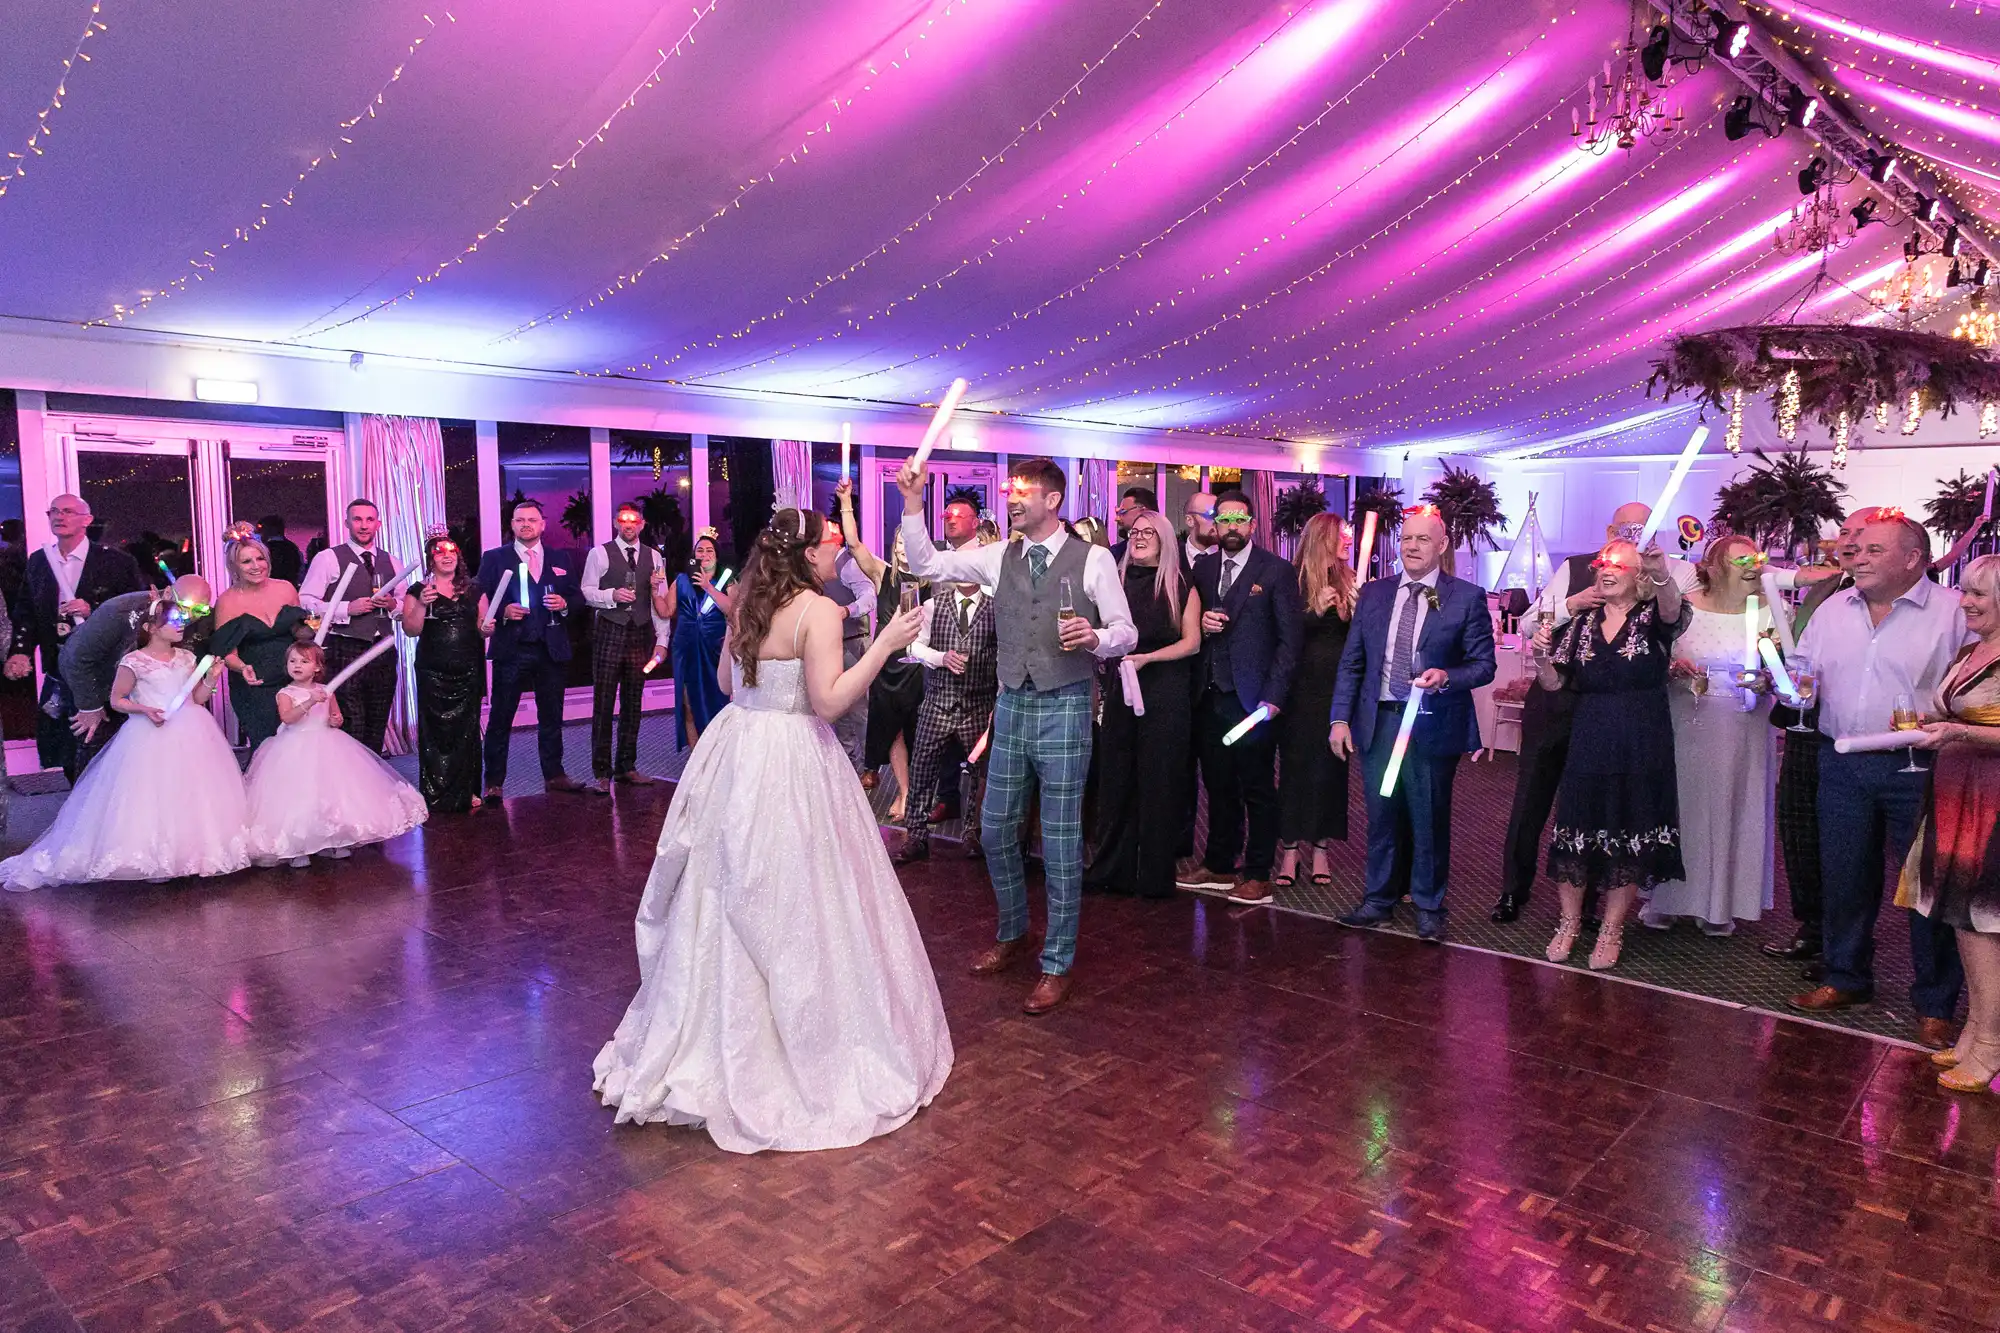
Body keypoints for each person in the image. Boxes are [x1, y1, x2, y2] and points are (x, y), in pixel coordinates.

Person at [593, 506, 951, 1153]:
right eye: (827, 544)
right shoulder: (819, 611)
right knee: (800, 895)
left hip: (738, 749)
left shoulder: (748, 604)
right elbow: (830, 701)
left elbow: (731, 685)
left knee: (722, 889)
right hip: (791, 760)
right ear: (804, 553)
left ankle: (706, 1030)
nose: (832, 554)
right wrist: (885, 643)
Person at [893, 457, 1137, 1015]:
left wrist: (1095, 636)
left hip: (1067, 706)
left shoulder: (1093, 558)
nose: (1014, 498)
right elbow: (927, 563)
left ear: (1053, 501)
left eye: (1025, 491)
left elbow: (1127, 632)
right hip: (1011, 705)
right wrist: (911, 503)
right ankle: (1013, 931)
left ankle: (1057, 962)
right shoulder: (998, 557)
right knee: (997, 829)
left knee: (1059, 838)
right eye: (1012, 490)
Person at [1788, 512, 1968, 1050]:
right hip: (1840, 760)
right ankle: (1845, 977)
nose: (1857, 558)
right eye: (1855, 549)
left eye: (1872, 551)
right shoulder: (1830, 610)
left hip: (1917, 766)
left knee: (1924, 888)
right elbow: (1803, 673)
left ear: (1913, 559)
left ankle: (1935, 1004)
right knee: (1842, 874)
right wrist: (1786, 684)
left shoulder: (1954, 613)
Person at [1489, 501, 1695, 924]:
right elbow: (1529, 625)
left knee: (1603, 807)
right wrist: (1574, 602)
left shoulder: (1658, 575)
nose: (1633, 535)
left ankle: (1589, 911)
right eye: (1626, 527)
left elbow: (1672, 618)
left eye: (1642, 528)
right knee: (1532, 799)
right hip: (1557, 701)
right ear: (1608, 529)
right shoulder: (1576, 568)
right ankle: (1513, 891)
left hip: (1615, 713)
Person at [1328, 507, 1496, 942]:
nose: (1412, 547)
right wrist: (1340, 718)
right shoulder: (1375, 594)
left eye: (1423, 540)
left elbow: (1483, 665)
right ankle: (1378, 900)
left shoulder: (1467, 597)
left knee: (1429, 815)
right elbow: (1352, 662)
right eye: (1406, 539)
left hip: (1431, 722)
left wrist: (1447, 677)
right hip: (1379, 721)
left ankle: (1427, 903)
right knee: (1381, 814)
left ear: (1441, 547)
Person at [2, 598, 245, 889]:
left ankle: (194, 853)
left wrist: (211, 680)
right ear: (151, 627)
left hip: (192, 729)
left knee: (193, 792)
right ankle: (154, 856)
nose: (182, 625)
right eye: (174, 620)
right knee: (152, 794)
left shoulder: (186, 658)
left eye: (182, 620)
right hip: (150, 732)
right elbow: (118, 700)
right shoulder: (134, 661)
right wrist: (144, 710)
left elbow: (197, 698)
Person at [1533, 540, 1687, 969]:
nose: (1605, 568)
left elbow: (1673, 610)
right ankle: (1569, 923)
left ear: (1637, 575)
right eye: (1602, 561)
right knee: (1577, 823)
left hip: (1642, 734)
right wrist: (1540, 659)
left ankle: (1612, 928)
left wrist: (1660, 572)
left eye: (1618, 564)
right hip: (1590, 731)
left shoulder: (1653, 615)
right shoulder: (1582, 622)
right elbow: (1554, 683)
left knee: (1630, 826)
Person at [1644, 535, 1776, 934]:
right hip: (1686, 718)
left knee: (1732, 806)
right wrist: (1672, 670)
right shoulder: (1684, 609)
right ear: (1714, 567)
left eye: (1755, 558)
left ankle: (1719, 904)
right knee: (1681, 805)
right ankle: (1667, 897)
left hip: (1744, 723)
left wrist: (1768, 680)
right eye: (1741, 561)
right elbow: (1654, 658)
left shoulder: (1770, 610)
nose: (1752, 566)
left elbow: (1787, 671)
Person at [1176, 491, 1302, 904]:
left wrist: (1275, 696)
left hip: (1254, 701)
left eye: (1239, 520)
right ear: (1214, 524)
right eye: (1224, 519)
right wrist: (1201, 624)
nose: (1231, 527)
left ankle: (1258, 871)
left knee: (1258, 786)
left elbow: (1289, 641)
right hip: (1209, 693)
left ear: (1251, 524)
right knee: (1217, 784)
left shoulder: (1277, 571)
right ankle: (1218, 862)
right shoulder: (1205, 567)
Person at [1763, 509, 1874, 964]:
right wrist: (1774, 673)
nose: (1848, 542)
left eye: (1862, 536)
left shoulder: (1896, 596)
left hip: (1859, 734)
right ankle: (1812, 926)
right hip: (1806, 721)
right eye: (1845, 533)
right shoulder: (1827, 588)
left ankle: (1845, 942)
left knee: (1848, 841)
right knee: (1798, 827)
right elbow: (1797, 649)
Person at [1908, 554, 2000, 1093]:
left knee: (1984, 921)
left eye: (1978, 596)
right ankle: (1976, 1032)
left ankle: (1990, 1045)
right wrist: (1941, 727)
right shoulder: (1971, 650)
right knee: (1961, 916)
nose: (1964, 602)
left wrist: (1958, 733)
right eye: (1964, 592)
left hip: (1992, 800)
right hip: (1955, 790)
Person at [1085, 511, 1202, 898]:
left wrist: (1149, 659)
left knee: (1159, 782)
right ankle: (1111, 869)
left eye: (1148, 532)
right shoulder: (1115, 583)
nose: (1139, 537)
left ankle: (1153, 876)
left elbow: (1192, 643)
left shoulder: (1180, 583)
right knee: (1116, 780)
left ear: (1164, 539)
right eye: (1134, 532)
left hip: (1165, 692)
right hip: (1120, 688)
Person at [244, 642, 428, 867]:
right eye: (293, 661)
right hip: (295, 747)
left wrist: (335, 720)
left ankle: (334, 841)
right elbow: (287, 718)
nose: (297, 665)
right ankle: (296, 847)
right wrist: (311, 701)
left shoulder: (326, 691)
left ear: (317, 667)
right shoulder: (286, 693)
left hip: (326, 746)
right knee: (299, 796)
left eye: (304, 661)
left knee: (331, 793)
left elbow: (335, 716)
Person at [4, 492, 145, 781]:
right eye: (53, 511)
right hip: (59, 671)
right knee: (67, 749)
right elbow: (26, 611)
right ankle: (79, 811)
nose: (59, 516)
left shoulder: (117, 562)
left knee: (107, 746)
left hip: (105, 671)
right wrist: (20, 651)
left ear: (87, 520)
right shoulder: (39, 561)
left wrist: (93, 610)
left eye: (68, 511)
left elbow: (138, 612)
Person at [894, 498, 997, 864]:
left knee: (981, 775)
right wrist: (941, 657)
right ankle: (915, 835)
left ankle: (973, 834)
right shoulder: (934, 606)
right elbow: (915, 648)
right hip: (938, 702)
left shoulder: (995, 609)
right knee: (923, 768)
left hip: (977, 704)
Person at [476, 499, 589, 798]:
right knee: (501, 717)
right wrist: (501, 613)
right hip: (511, 649)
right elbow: (479, 598)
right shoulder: (494, 558)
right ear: (512, 525)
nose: (526, 524)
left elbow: (577, 599)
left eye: (532, 520)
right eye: (519, 520)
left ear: (542, 524)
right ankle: (494, 782)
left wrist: (565, 605)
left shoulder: (560, 557)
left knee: (552, 716)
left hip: (551, 649)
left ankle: (554, 775)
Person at [60, 575, 214, 775]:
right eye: (186, 605)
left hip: (153, 702)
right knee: (98, 762)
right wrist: (90, 706)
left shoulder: (200, 620)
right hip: (99, 685)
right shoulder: (121, 610)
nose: (190, 615)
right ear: (167, 593)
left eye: (199, 610)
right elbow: (75, 656)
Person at [1276, 513, 1356, 890]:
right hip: (1298, 690)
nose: (1348, 541)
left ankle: (1321, 848)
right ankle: (1289, 849)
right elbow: (1280, 635)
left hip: (1336, 690)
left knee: (1331, 770)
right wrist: (1313, 612)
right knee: (1295, 769)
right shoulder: (1291, 578)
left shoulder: (1349, 579)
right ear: (1323, 537)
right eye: (1342, 535)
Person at [298, 499, 404, 754]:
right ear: (347, 523)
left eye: (369, 520)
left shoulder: (393, 561)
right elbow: (305, 601)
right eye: (357, 519)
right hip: (344, 646)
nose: (364, 526)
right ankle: (350, 789)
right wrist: (347, 609)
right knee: (351, 724)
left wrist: (392, 605)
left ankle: (374, 785)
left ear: (378, 524)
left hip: (382, 649)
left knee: (377, 723)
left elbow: (404, 605)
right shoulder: (328, 558)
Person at [581, 503, 673, 791]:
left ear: (642, 524)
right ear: (615, 523)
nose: (628, 525)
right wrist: (611, 595)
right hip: (610, 630)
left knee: (633, 703)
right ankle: (601, 772)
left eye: (634, 521)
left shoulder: (655, 556)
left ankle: (626, 767)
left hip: (640, 633)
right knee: (604, 703)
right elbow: (586, 591)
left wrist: (662, 641)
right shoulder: (599, 553)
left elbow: (660, 601)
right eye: (623, 520)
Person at [399, 533, 490, 813]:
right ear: (431, 559)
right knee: (435, 733)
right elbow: (410, 630)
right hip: (433, 672)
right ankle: (434, 793)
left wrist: (489, 629)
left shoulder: (475, 590)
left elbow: (483, 627)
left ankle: (469, 790)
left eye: (452, 550)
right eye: (439, 552)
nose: (446, 555)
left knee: (467, 732)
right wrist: (424, 604)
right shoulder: (417, 590)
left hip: (468, 671)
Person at [211, 526, 310, 753]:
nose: (256, 566)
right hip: (255, 685)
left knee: (300, 746)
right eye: (247, 562)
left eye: (260, 558)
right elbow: (226, 652)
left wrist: (315, 628)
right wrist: (243, 667)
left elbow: (298, 632)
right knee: (268, 747)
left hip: (292, 679)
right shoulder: (228, 601)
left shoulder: (286, 589)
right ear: (234, 566)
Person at [660, 528, 730, 751]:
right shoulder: (681, 580)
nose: (704, 554)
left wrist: (709, 587)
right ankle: (696, 755)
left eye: (710, 550)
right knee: (688, 701)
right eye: (700, 550)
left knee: (717, 699)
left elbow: (733, 609)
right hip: (686, 648)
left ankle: (719, 752)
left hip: (715, 648)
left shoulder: (726, 579)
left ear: (716, 556)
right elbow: (666, 611)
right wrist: (653, 592)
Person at [1111, 485, 1157, 560]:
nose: (1117, 519)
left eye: (1123, 512)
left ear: (1143, 511)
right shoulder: (1116, 552)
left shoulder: (1175, 551)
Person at [259, 515, 306, 586]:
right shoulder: (293, 549)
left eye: (262, 528)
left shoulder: (263, 550)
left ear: (270, 529)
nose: (260, 532)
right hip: (290, 589)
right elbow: (301, 573)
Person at [1182, 491, 1221, 560]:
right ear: (1189, 520)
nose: (1217, 521)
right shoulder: (1171, 556)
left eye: (1220, 516)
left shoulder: (1231, 556)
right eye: (1212, 515)